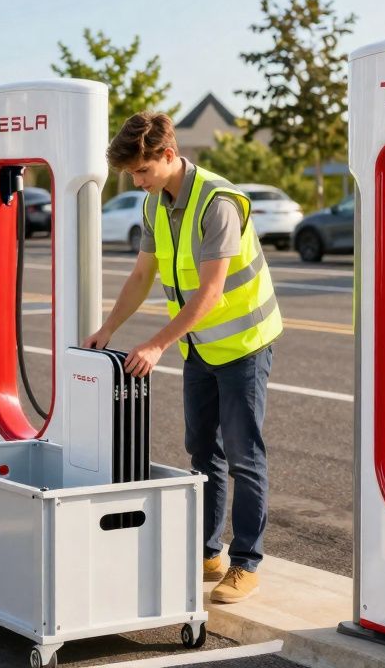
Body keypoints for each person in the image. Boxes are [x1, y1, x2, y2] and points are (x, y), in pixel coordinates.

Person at [83, 111, 282, 604]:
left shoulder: (218, 203)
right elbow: (141, 276)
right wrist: (110, 327)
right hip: (199, 345)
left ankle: (246, 563)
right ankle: (208, 553)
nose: (137, 180)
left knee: (243, 455)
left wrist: (155, 344)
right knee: (201, 450)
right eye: (131, 173)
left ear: (169, 155)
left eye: (143, 171)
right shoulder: (155, 206)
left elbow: (212, 291)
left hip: (243, 344)